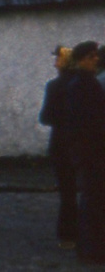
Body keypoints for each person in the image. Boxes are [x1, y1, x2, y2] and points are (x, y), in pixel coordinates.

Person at [68, 42, 105, 263]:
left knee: (93, 200)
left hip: (89, 151)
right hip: (92, 152)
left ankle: (91, 249)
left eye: (95, 56)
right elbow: (90, 122)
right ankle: (92, 251)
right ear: (81, 59)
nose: (95, 60)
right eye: (91, 57)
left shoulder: (84, 83)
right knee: (93, 200)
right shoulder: (84, 85)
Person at [43, 46, 78, 246]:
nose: (55, 62)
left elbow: (45, 116)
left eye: (58, 59)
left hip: (61, 143)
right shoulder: (83, 83)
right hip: (81, 142)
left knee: (67, 192)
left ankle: (67, 236)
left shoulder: (55, 86)